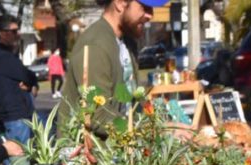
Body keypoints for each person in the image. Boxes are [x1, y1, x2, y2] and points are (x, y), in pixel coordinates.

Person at [60, 0, 170, 134]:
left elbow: (131, 100)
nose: (150, 15)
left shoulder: (127, 42)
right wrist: (155, 131)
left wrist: (164, 126)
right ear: (120, 3)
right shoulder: (95, 46)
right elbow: (98, 116)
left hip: (120, 148)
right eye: (144, 7)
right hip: (93, 152)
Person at [0, 14, 39, 144]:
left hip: (15, 116)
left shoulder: (7, 55)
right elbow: (27, 75)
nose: (18, 34)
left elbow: (27, 77)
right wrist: (30, 83)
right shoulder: (2, 57)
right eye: (14, 31)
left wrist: (29, 84)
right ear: (2, 34)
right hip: (15, 118)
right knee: (19, 160)